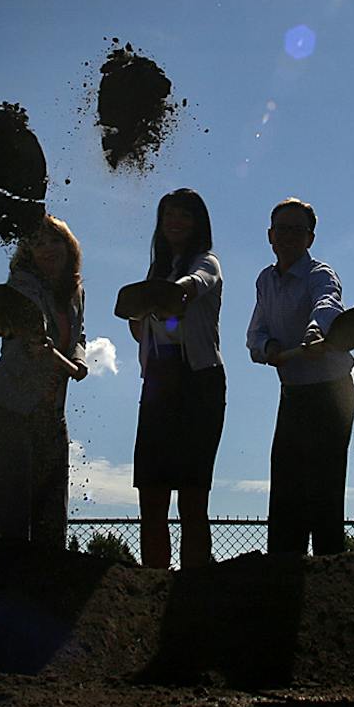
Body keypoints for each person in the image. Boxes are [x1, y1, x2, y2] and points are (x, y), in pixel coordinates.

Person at [247, 197, 354, 558]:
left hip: (332, 394)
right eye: (283, 229)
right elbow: (255, 334)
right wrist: (269, 346)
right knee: (287, 482)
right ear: (270, 236)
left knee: (324, 485)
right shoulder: (265, 280)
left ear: (310, 238)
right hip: (293, 393)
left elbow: (328, 304)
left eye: (298, 230)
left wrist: (314, 331)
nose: (289, 236)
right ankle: (283, 565)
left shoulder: (320, 274)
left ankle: (330, 566)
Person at [127, 188, 226, 568]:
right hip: (158, 381)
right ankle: (154, 580)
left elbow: (198, 283)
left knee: (192, 492)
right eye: (169, 214)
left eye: (184, 214)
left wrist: (168, 295)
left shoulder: (207, 261)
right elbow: (142, 329)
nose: (175, 221)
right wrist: (146, 311)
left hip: (199, 381)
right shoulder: (157, 272)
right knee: (151, 490)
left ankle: (194, 583)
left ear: (198, 222)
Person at [0, 214, 88, 548]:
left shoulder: (75, 292)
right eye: (37, 243)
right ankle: (2, 585)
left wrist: (79, 362)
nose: (47, 249)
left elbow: (79, 335)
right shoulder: (21, 284)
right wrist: (45, 349)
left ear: (67, 245)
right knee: (11, 510)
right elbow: (22, 323)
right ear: (28, 253)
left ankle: (45, 589)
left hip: (51, 411)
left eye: (53, 240)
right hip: (10, 406)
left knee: (52, 507)